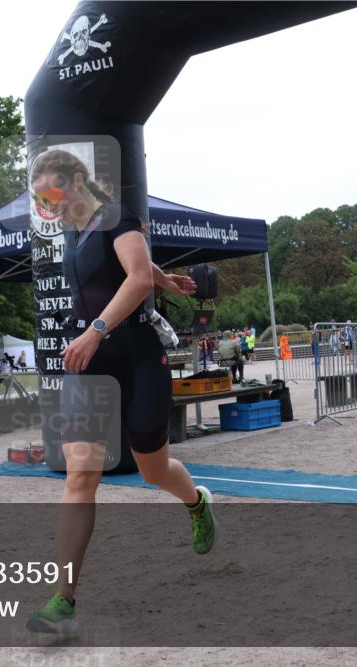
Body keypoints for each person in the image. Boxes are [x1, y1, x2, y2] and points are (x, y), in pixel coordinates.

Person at [25, 149, 213, 634]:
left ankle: (195, 502)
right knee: (80, 476)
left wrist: (97, 329)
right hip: (89, 364)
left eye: (54, 194)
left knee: (152, 468)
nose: (51, 206)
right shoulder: (71, 231)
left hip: (134, 355)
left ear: (78, 180)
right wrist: (164, 279)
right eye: (42, 199)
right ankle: (63, 600)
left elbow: (132, 271)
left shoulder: (115, 217)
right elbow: (139, 271)